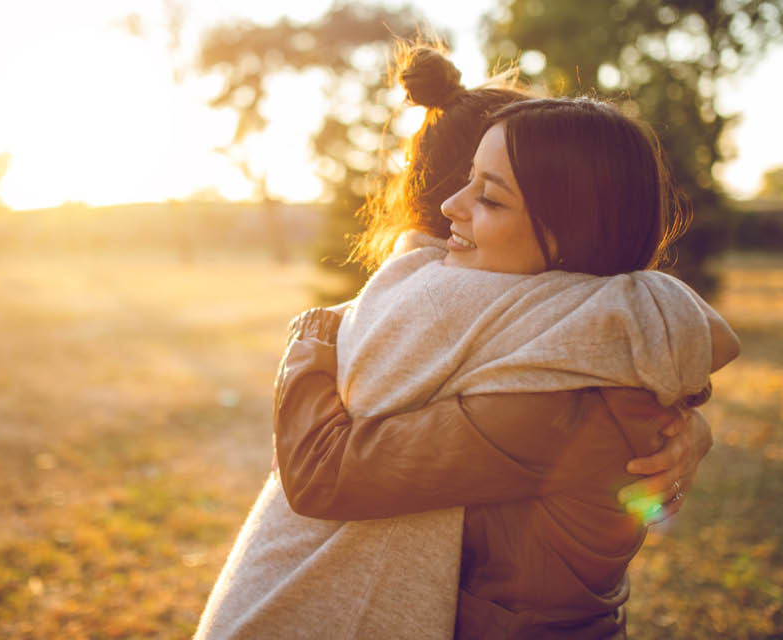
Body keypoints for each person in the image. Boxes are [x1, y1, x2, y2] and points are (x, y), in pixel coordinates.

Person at [196, 45, 732, 639]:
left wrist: (317, 334)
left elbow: (324, 471)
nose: (454, 208)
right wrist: (688, 414)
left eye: (490, 195)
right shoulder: (563, 342)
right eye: (466, 182)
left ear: (573, 230)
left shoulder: (559, 398)